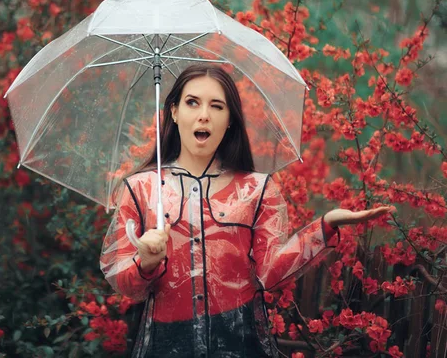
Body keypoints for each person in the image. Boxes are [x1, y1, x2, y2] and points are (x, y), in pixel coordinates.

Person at [100, 64, 392, 358]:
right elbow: (124, 283)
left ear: (229, 120)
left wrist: (325, 226)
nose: (204, 115)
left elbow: (271, 274)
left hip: (240, 343)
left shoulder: (257, 190)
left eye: (217, 106)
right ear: (174, 112)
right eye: (192, 103)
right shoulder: (140, 190)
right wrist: (145, 262)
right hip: (165, 345)